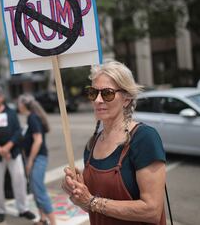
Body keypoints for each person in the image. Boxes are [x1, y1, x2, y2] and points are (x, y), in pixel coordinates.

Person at [62, 61, 167, 225]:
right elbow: (92, 208)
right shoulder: (92, 144)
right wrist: (78, 193)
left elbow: (152, 211)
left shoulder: (144, 138)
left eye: (107, 93)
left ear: (126, 99)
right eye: (92, 92)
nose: (97, 100)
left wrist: (91, 201)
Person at [0, 86, 35, 224]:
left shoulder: (11, 112)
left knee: (19, 180)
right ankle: (0, 209)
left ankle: (23, 208)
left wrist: (8, 146)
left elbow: (18, 131)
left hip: (13, 152)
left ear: (2, 97)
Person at [18, 94, 57, 225]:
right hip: (35, 159)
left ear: (24, 105)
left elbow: (38, 140)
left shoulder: (32, 118)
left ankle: (53, 222)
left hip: (38, 159)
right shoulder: (31, 118)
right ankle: (42, 219)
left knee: (39, 191)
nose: (18, 105)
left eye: (19, 103)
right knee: (35, 190)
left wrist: (29, 161)